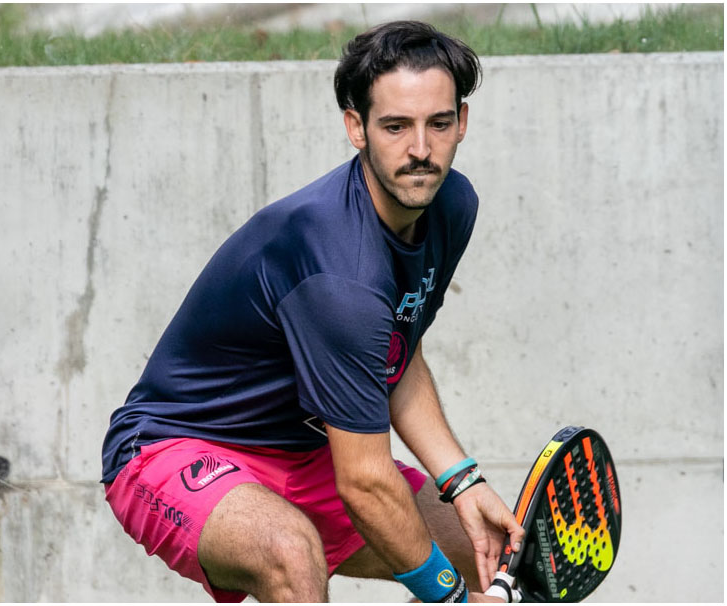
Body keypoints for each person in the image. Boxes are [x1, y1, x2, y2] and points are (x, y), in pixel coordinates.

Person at [101, 20, 525, 603]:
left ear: (463, 123)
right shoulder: (337, 272)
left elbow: (397, 357)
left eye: (439, 123)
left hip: (306, 455)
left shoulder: (452, 205)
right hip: (175, 446)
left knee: (479, 546)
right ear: (356, 128)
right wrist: (446, 595)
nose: (420, 150)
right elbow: (364, 482)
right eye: (395, 126)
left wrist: (463, 481)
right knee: (290, 554)